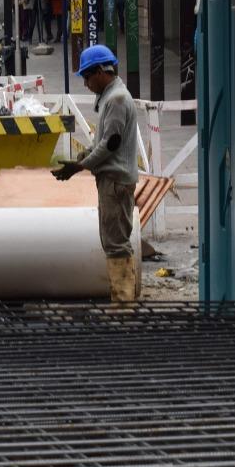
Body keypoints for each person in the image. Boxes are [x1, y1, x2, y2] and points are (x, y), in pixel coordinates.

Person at [53, 45, 140, 302]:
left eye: (87, 78)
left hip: (115, 181)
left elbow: (110, 144)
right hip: (113, 180)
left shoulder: (116, 100)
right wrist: (83, 157)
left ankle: (123, 304)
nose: (86, 84)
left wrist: (80, 167)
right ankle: (125, 299)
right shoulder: (111, 97)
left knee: (115, 243)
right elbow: (104, 139)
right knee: (114, 241)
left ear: (102, 71)